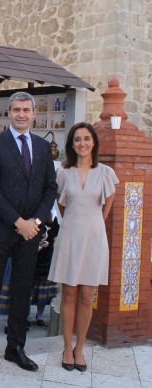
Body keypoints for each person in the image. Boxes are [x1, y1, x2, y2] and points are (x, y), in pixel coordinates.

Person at [0, 91, 57, 374]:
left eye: (26, 109)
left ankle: (15, 348)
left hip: (31, 232)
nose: (21, 114)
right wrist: (17, 221)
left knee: (23, 289)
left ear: (34, 113)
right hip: (0, 228)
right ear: (9, 112)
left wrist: (35, 221)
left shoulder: (43, 148)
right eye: (16, 109)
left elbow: (50, 188)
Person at [48, 122, 118, 372]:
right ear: (72, 144)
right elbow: (61, 205)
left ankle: (80, 348)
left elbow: (106, 207)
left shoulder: (106, 173)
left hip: (94, 237)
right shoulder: (64, 172)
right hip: (70, 235)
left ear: (94, 142)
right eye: (77, 139)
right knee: (68, 293)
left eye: (87, 138)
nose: (82, 143)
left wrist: (93, 223)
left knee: (88, 295)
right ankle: (67, 348)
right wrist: (75, 223)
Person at [30, 141, 63, 327]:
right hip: (31, 230)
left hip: (48, 235)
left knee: (44, 279)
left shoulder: (55, 175)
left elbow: (56, 212)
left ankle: (40, 315)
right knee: (26, 279)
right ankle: (23, 314)